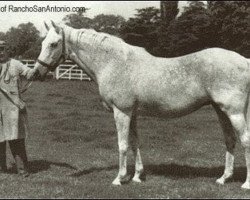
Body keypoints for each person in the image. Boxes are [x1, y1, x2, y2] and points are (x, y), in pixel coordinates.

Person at [0, 43, 39, 177]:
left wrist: (34, 72)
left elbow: (28, 73)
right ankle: (2, 168)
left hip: (12, 109)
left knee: (16, 139)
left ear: (7, 50)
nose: (0, 53)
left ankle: (22, 170)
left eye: (2, 50)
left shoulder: (16, 64)